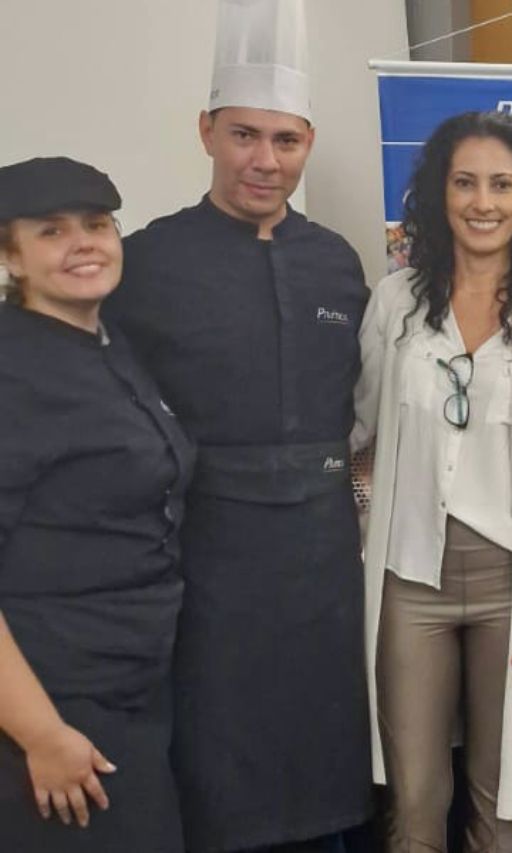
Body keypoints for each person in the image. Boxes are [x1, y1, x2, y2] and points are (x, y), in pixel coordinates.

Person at [104, 2, 372, 848]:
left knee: (328, 769)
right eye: (245, 135)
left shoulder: (337, 259)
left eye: (285, 140)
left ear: (308, 145)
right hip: (208, 562)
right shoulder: (146, 261)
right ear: (207, 132)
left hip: (327, 558)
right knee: (222, 780)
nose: (265, 160)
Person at [352, 110, 512, 852]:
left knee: (504, 806)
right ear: (439, 194)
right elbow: (359, 432)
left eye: (500, 184)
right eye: (465, 183)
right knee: (416, 802)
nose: (482, 202)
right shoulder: (395, 306)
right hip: (409, 578)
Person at [0, 157, 194, 851]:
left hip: (135, 692)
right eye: (51, 231)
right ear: (10, 256)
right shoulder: (11, 369)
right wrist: (41, 733)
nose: (83, 242)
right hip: (53, 708)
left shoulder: (111, 346)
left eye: (97, 224)